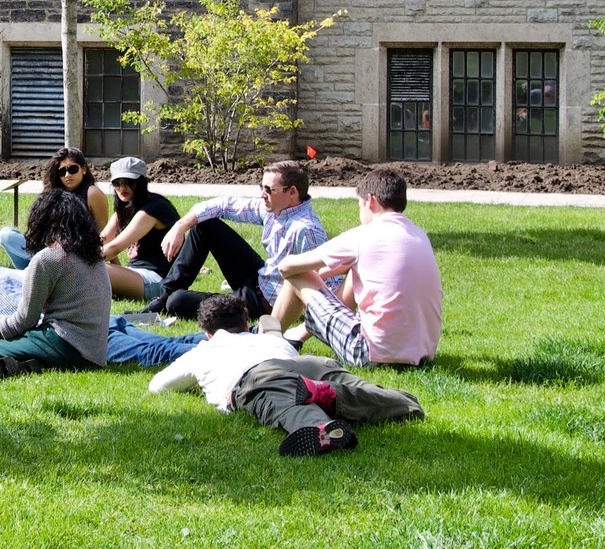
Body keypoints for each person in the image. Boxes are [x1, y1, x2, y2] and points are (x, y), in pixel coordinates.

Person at [149, 294, 425, 456]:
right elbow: (273, 329)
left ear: (207, 333)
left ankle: (322, 428)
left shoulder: (204, 351)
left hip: (259, 377)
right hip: (307, 363)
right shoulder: (269, 338)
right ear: (246, 324)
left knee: (287, 406)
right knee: (350, 382)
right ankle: (404, 403)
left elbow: (157, 386)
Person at [0, 234, 201, 368]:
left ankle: (236, 343)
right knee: (168, 343)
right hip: (102, 319)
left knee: (159, 354)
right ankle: (238, 334)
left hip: (76, 334)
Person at [270, 168, 442, 369]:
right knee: (354, 270)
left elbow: (287, 267)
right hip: (422, 355)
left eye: (359, 205)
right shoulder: (419, 235)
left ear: (370, 201)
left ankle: (266, 340)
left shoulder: (364, 235)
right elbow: (362, 264)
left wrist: (313, 276)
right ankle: (296, 336)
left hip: (371, 353)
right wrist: (325, 273)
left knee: (297, 273)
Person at [0, 188, 112, 381]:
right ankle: (25, 365)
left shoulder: (48, 258)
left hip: (65, 344)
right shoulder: (92, 254)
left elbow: (23, 321)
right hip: (95, 353)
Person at [149, 159, 329, 320]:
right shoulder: (275, 209)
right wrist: (180, 226)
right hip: (259, 277)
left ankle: (171, 299)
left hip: (264, 304)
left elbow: (328, 284)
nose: (262, 195)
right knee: (205, 224)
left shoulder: (306, 230)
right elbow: (222, 204)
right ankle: (163, 296)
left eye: (269, 190)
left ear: (292, 192)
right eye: (262, 188)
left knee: (177, 302)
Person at [0, 148, 110, 268]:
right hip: (46, 248)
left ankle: (31, 274)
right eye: (62, 171)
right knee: (6, 235)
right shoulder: (53, 193)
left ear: (83, 169)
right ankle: (31, 275)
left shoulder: (92, 193)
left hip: (73, 255)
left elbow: (102, 235)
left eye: (72, 169)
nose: (67, 175)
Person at [98, 156, 181, 303]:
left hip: (157, 280)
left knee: (90, 269)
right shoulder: (126, 208)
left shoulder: (153, 208)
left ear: (141, 182)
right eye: (117, 183)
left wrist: (79, 261)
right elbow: (101, 240)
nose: (122, 188)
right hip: (135, 274)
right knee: (88, 267)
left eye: (128, 182)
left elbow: (114, 248)